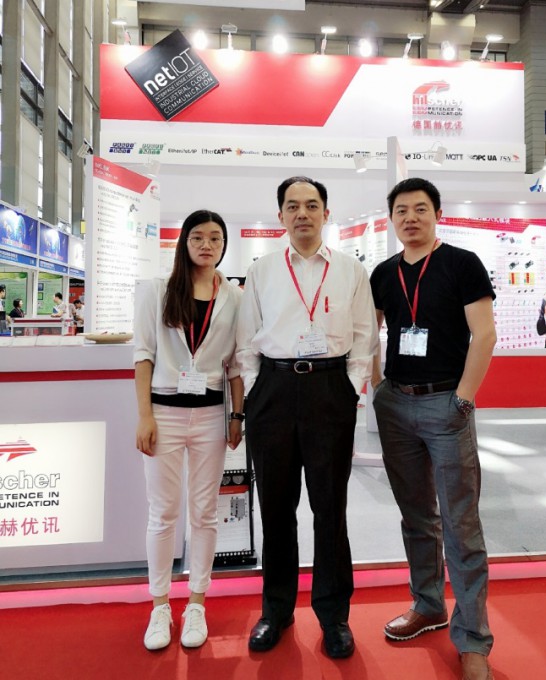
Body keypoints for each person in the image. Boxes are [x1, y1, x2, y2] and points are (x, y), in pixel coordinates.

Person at [236, 176, 379, 659]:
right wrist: (256, 390)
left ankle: (334, 616)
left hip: (329, 389)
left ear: (325, 213)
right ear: (280, 215)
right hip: (273, 391)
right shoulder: (262, 270)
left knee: (329, 508)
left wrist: (350, 388)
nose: (302, 213)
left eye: (311, 205)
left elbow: (364, 335)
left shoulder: (350, 269)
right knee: (276, 508)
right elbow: (246, 339)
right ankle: (276, 610)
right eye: (293, 206)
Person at [369, 177, 497, 680]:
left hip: (447, 404)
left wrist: (463, 398)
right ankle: (428, 605)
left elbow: (484, 335)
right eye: (401, 210)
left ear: (436, 213)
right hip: (396, 406)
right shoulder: (383, 273)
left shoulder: (463, 264)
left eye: (420, 208)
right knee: (416, 515)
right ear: (392, 219)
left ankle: (473, 639)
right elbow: (368, 333)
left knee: (461, 524)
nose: (410, 218)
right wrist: (377, 387)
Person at [133, 209, 244, 652]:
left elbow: (236, 364)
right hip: (165, 413)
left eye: (215, 238)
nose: (206, 245)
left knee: (204, 513)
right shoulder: (159, 290)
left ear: (224, 246)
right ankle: (160, 605)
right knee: (162, 512)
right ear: (184, 242)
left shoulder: (233, 296)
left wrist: (237, 416)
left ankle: (196, 602)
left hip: (211, 416)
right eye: (198, 237)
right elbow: (143, 355)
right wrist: (144, 416)